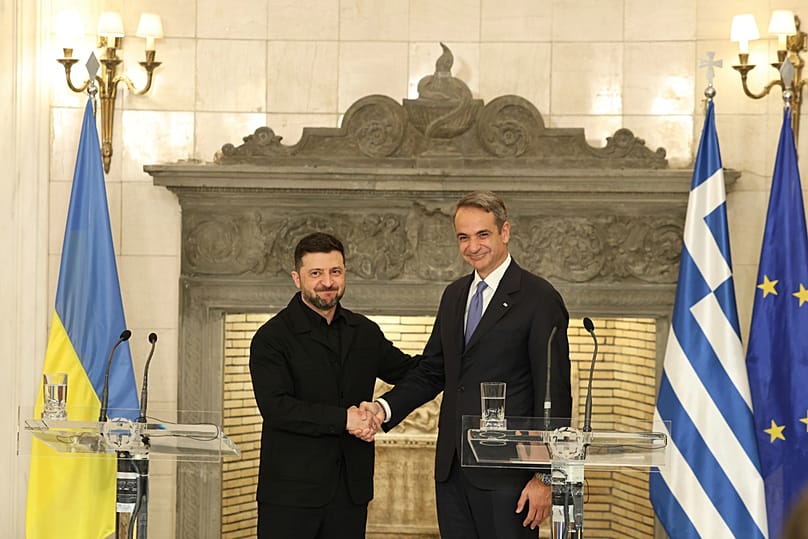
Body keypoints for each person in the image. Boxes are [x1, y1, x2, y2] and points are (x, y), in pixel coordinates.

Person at [361, 190, 572, 538]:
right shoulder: (455, 294)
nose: (472, 246)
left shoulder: (539, 297)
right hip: (453, 470)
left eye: (482, 234)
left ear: (504, 232)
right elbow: (433, 370)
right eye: (463, 237)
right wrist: (384, 409)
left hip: (509, 477)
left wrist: (545, 475)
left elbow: (553, 393)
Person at [249, 232, 415, 539]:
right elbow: (276, 408)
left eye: (335, 271)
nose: (327, 281)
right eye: (316, 273)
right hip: (290, 498)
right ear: (297, 278)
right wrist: (346, 419)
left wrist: (382, 408)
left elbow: (410, 372)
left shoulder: (364, 331)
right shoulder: (271, 338)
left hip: (350, 494)